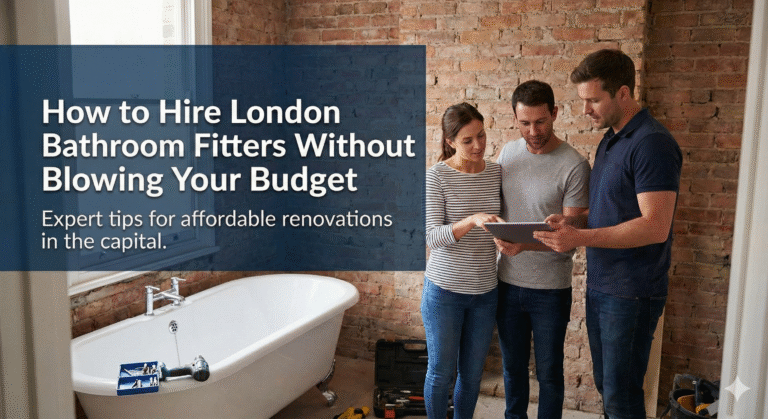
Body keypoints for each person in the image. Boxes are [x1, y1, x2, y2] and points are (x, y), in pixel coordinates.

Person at [533, 49, 683, 419]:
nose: (586, 110)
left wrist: (579, 239)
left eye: (593, 100)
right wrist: (575, 224)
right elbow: (609, 212)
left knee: (621, 396)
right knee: (608, 387)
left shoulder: (652, 143)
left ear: (623, 93)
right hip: (605, 285)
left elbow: (654, 225)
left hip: (632, 291)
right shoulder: (611, 140)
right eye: (583, 101)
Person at [494, 80, 590, 419]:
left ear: (555, 113)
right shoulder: (507, 154)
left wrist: (527, 243)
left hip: (550, 290)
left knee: (549, 375)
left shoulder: (574, 165)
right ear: (515, 119)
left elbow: (576, 231)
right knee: (513, 371)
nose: (533, 131)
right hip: (506, 284)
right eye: (524, 123)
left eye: (540, 122)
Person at [423, 102, 503, 419]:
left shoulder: (496, 172)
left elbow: (502, 222)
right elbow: (432, 237)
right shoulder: (437, 176)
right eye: (468, 140)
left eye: (481, 135)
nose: (478, 145)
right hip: (444, 292)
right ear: (450, 142)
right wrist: (470, 220)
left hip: (485, 292)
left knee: (472, 377)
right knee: (441, 374)